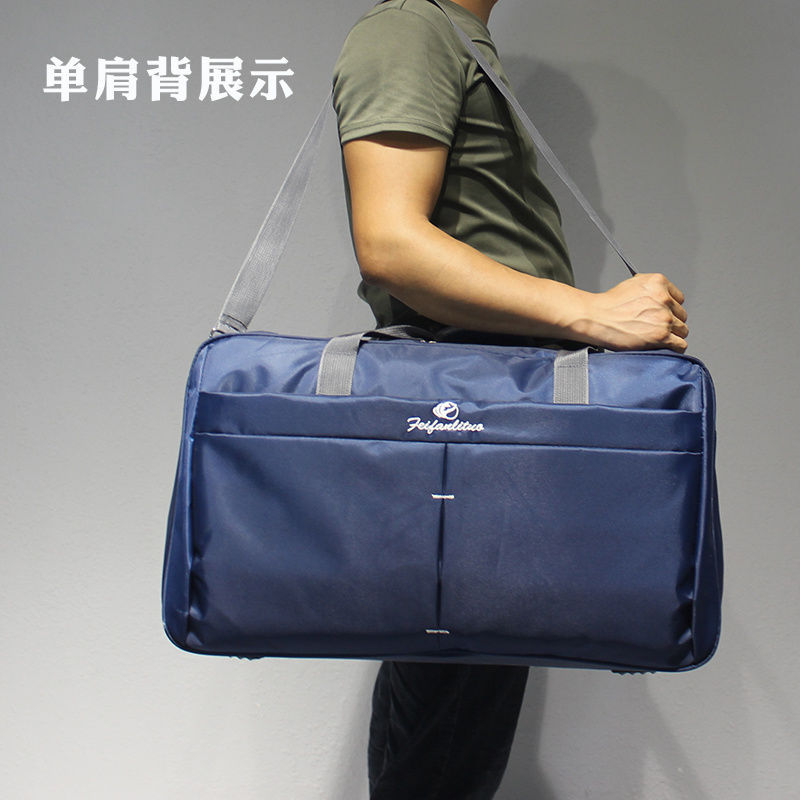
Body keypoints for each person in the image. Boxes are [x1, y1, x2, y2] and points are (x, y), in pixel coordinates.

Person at [331, 1, 688, 797]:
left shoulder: (450, 36)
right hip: (467, 419)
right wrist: (590, 312)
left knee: (453, 713)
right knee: (449, 729)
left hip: (488, 418)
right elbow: (389, 243)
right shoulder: (410, 28)